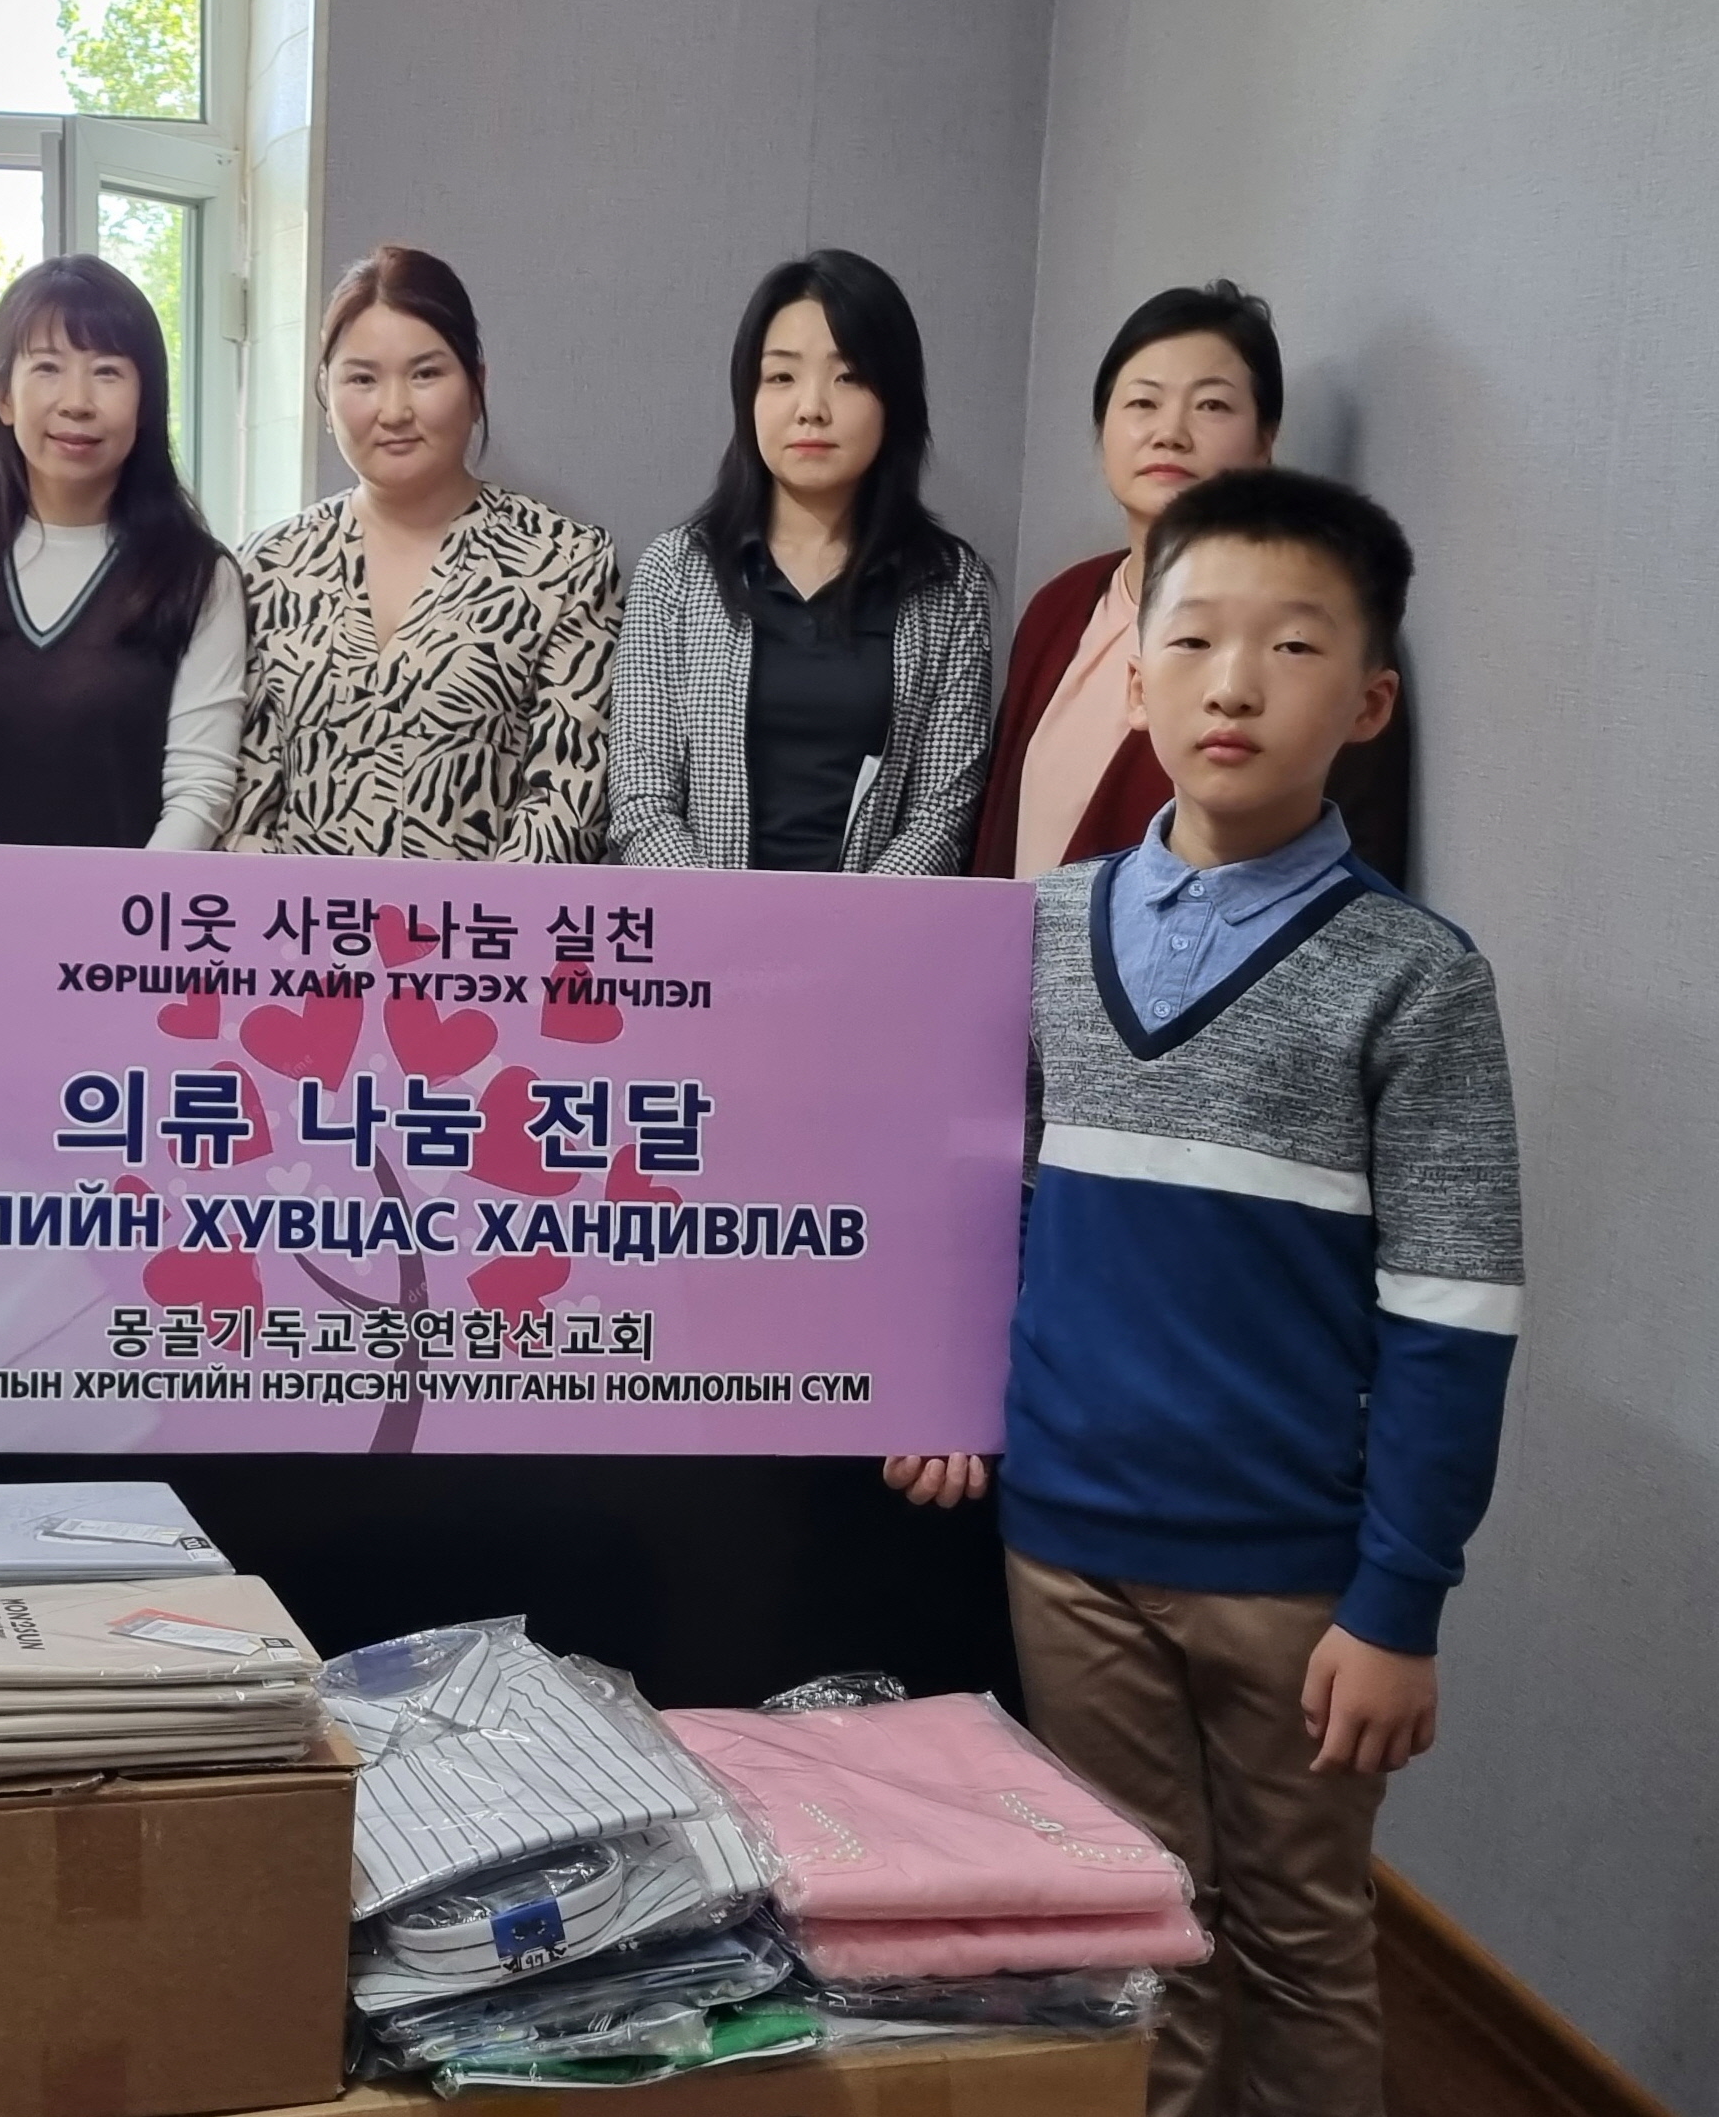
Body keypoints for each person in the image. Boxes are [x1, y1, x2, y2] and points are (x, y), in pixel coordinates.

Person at [887, 470, 1523, 2117]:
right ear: (1134, 676)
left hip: (1293, 1577)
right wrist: (943, 1391)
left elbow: (1453, 1313)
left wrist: (1399, 1601)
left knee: (1301, 1936)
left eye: (1291, 644)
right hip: (1065, 1540)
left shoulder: (1415, 976)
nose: (1233, 682)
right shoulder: (1038, 929)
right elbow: (971, 1203)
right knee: (1128, 1922)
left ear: (1365, 700)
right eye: (1191, 639)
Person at [973, 281, 1412, 881]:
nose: (1170, 433)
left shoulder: (1321, 629)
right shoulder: (1061, 605)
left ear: (1265, 441)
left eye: (1211, 406)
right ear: (1102, 431)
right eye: (1142, 403)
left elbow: (1354, 867)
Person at [222, 245, 614, 861]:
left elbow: (568, 803)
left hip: (493, 921)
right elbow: (242, 796)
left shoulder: (566, 563)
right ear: (325, 393)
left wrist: (477, 924)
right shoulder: (267, 567)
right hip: (290, 921)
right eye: (362, 379)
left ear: (477, 385)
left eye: (426, 374)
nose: (394, 410)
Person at [610, 250, 992, 874]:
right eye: (781, 376)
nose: (811, 407)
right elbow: (641, 801)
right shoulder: (675, 571)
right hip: (702, 927)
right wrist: (721, 917)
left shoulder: (948, 585)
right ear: (748, 396)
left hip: (876, 931)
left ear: (894, 398)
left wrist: (843, 925)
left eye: (848, 376)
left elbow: (942, 815)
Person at [0, 255, 243, 847]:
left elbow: (200, 788)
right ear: (3, 397)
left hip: (130, 903)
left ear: (146, 402)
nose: (77, 401)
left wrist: (123, 901)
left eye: (107, 371)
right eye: (48, 368)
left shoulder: (197, 577)